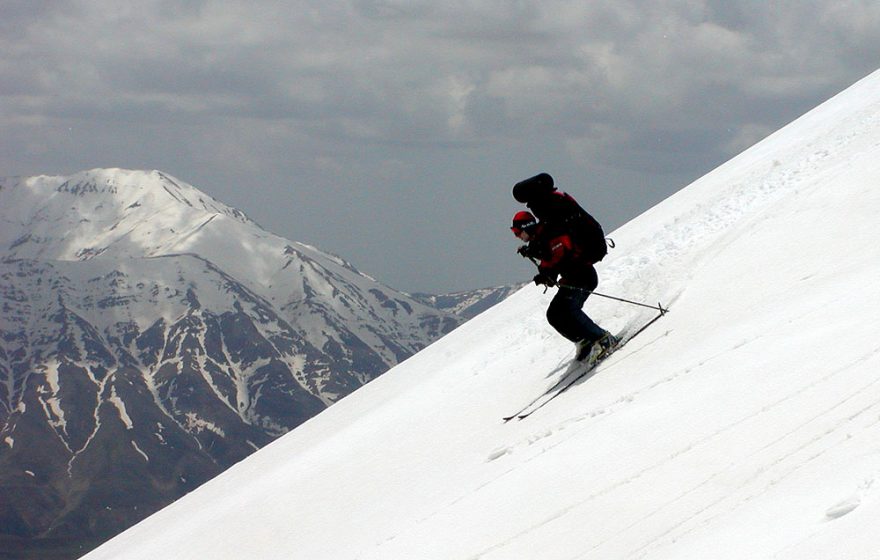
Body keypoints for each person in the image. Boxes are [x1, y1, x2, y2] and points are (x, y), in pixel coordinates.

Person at [511, 207, 616, 363]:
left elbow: (559, 256)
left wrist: (547, 273)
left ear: (526, 227)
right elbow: (549, 262)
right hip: (571, 279)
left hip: (583, 276)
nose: (517, 236)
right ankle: (584, 341)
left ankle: (603, 339)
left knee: (569, 309)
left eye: (518, 232)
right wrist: (544, 274)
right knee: (554, 314)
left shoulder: (549, 234)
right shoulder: (538, 241)